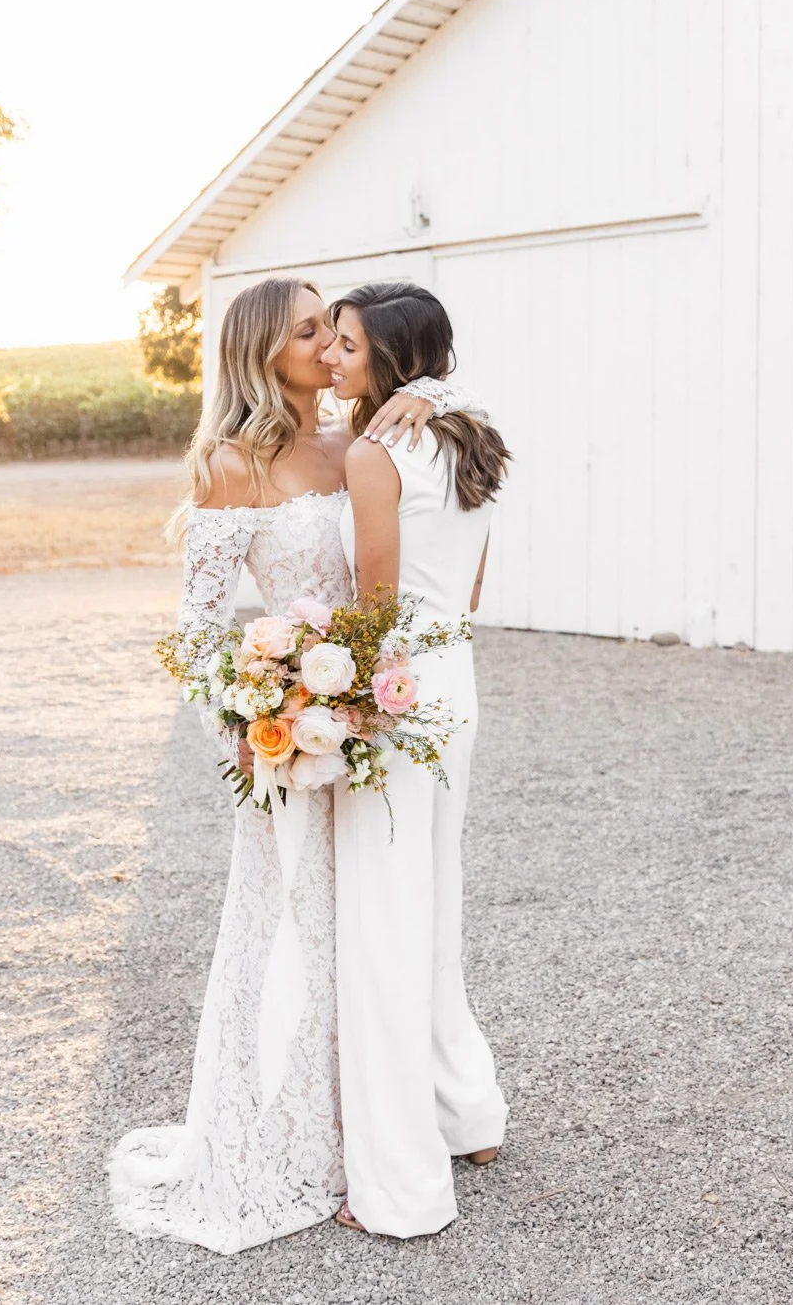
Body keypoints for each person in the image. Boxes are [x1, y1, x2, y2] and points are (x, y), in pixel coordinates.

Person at [107, 276, 476, 1253]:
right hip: (296, 742)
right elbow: (196, 629)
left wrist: (427, 391)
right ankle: (287, 1138)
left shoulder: (365, 435)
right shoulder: (232, 465)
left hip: (375, 722)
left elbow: (441, 454)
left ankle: (383, 1133)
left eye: (333, 331)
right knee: (292, 939)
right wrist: (250, 720)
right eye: (309, 330)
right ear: (265, 352)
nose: (328, 344)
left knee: (375, 938)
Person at [321, 281, 511, 1238]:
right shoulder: (471, 438)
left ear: (392, 361)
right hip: (454, 682)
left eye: (348, 346)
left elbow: (375, 599)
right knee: (433, 900)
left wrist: (327, 697)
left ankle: (400, 1185)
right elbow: (468, 590)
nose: (330, 357)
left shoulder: (374, 453)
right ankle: (467, 1114)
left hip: (395, 693)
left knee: (385, 923)